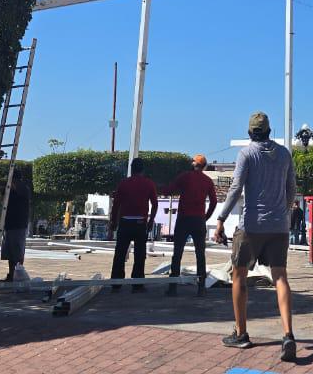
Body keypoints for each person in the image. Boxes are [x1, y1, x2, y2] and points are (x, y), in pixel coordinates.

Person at [213, 112, 298, 363]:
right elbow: (291, 188)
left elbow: (236, 188)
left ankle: (241, 333)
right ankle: (288, 334)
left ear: (250, 132)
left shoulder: (246, 154)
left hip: (251, 226)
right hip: (279, 227)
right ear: (269, 131)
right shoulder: (284, 154)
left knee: (238, 275)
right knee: (280, 277)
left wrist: (221, 219)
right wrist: (283, 212)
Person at [165, 153, 218, 297]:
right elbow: (213, 202)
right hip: (199, 220)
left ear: (194, 164)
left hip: (183, 219)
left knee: (177, 253)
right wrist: (206, 217)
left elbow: (169, 190)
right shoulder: (207, 181)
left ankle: (173, 287)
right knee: (200, 254)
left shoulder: (185, 176)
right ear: (204, 166)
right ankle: (201, 287)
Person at [109, 157, 157, 292]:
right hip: (140, 223)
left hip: (125, 222)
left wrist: (113, 222)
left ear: (131, 169)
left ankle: (116, 284)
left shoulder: (123, 183)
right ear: (143, 170)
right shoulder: (149, 183)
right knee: (140, 255)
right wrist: (151, 221)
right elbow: (155, 204)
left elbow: (116, 205)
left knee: (120, 254)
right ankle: (137, 284)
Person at [0, 167, 32, 282]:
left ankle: (17, 275)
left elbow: (11, 185)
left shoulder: (23, 187)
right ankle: (12, 275)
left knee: (16, 251)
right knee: (10, 252)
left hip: (18, 224)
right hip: (9, 223)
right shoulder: (10, 188)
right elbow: (3, 191)